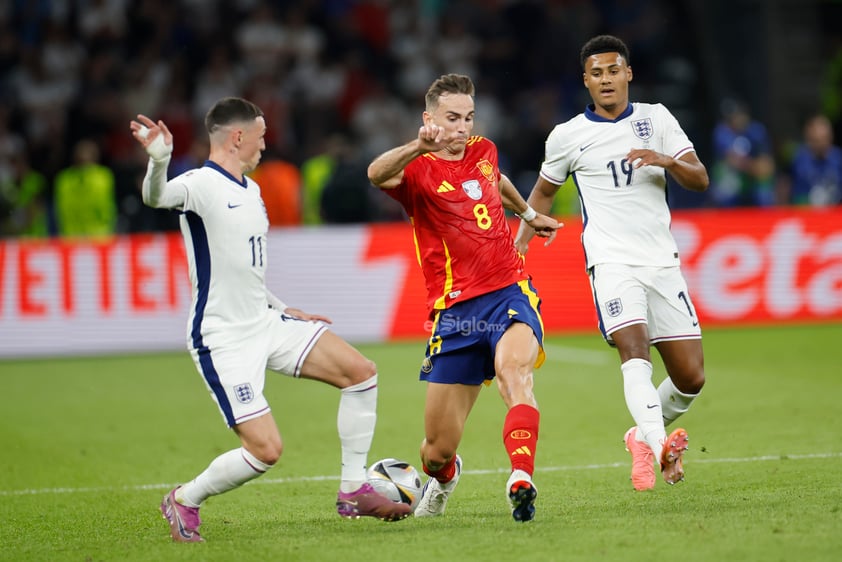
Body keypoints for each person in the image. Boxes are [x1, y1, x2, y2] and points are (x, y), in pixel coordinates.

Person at [129, 97, 411, 543]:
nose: (265, 145)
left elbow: (246, 268)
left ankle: (353, 490)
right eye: (260, 136)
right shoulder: (200, 184)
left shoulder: (252, 189)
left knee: (361, 373)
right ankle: (184, 499)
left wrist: (281, 307)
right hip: (223, 336)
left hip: (265, 321)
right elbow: (156, 195)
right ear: (237, 137)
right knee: (265, 451)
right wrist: (158, 160)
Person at [515, 35, 708, 492]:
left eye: (613, 70)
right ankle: (661, 446)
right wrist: (520, 240)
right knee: (635, 351)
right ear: (586, 81)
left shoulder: (656, 119)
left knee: (691, 378)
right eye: (596, 73)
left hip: (662, 262)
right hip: (611, 263)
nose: (605, 80)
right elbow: (542, 193)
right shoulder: (567, 136)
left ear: (628, 74)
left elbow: (699, 178)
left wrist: (665, 160)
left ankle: (639, 436)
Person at [367, 74, 560, 522]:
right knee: (435, 451)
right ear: (429, 119)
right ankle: (447, 476)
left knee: (514, 375)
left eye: (468, 118)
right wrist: (419, 146)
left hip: (508, 292)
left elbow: (496, 180)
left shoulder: (483, 150)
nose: (462, 128)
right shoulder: (415, 171)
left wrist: (530, 215)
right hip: (454, 314)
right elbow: (376, 174)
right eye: (452, 118)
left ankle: (521, 477)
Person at [709, 98, 775, 207]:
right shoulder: (721, 132)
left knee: (764, 194)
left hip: (753, 179)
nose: (736, 119)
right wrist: (754, 167)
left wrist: (760, 169)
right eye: (731, 116)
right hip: (731, 176)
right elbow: (732, 160)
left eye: (738, 114)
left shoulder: (757, 130)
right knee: (724, 192)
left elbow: (766, 162)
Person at [787, 114, 842, 206]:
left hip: (836, 214)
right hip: (809, 213)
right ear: (808, 139)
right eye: (816, 140)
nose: (821, 144)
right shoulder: (799, 161)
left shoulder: (838, 159)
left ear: (831, 137)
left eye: (824, 139)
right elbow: (794, 197)